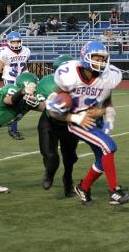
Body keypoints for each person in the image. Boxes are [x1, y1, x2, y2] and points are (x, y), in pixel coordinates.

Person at [49, 41, 129, 205]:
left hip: (95, 121)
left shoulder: (107, 77)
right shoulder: (69, 75)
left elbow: (107, 102)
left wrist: (104, 113)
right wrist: (74, 118)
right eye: (96, 58)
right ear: (85, 57)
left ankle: (83, 187)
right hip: (79, 121)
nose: (100, 62)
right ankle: (114, 190)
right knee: (109, 146)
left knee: (102, 159)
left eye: (103, 59)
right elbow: (52, 109)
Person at [37, 55, 79, 197]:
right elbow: (42, 106)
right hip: (49, 121)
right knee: (50, 155)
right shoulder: (46, 84)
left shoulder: (81, 83)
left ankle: (68, 182)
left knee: (70, 158)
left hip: (70, 123)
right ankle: (49, 173)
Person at [0, 31, 31, 140]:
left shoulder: (26, 51)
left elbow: (25, 66)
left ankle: (7, 120)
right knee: (15, 104)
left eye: (18, 41)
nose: (16, 44)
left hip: (22, 80)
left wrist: (27, 76)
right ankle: (13, 129)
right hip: (9, 81)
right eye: (13, 42)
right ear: (9, 42)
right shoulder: (3, 52)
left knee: (24, 104)